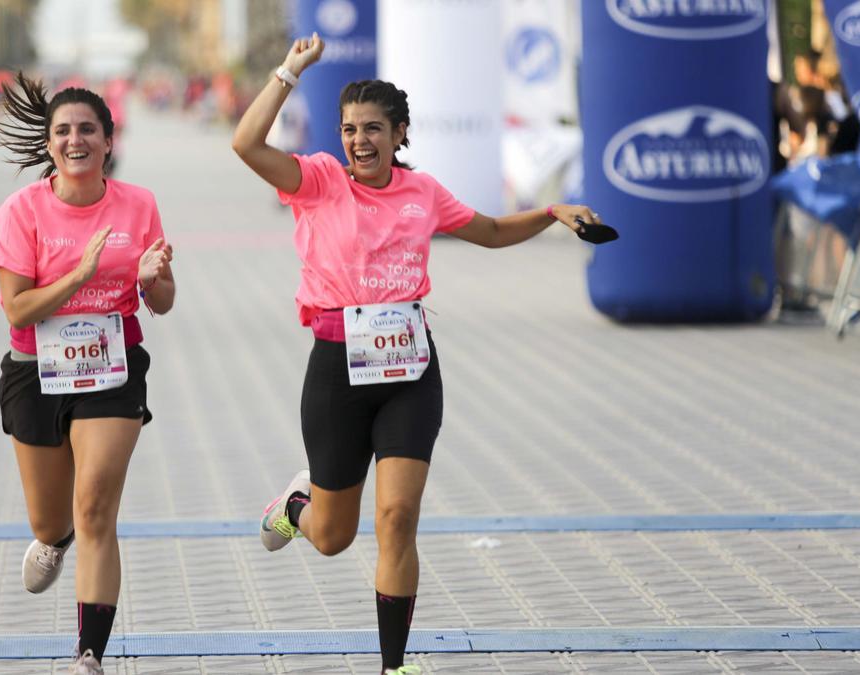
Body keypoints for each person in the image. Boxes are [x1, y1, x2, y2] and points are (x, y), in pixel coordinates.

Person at [231, 34, 601, 675]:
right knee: (334, 537)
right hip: (335, 372)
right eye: (349, 129)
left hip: (410, 372)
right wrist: (289, 71)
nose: (359, 140)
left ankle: (394, 665)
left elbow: (486, 231)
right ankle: (297, 508)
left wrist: (550, 213)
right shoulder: (317, 181)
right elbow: (246, 144)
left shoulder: (423, 192)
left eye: (373, 128)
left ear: (400, 133)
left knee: (397, 518)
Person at [0, 72, 175, 675]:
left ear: (107, 139)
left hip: (112, 366)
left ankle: (88, 655)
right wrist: (79, 275)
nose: (75, 140)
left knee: (95, 505)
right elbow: (17, 307)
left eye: (87, 130)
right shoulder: (21, 211)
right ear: (49, 144)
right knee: (53, 518)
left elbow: (164, 301)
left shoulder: (138, 204)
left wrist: (152, 280)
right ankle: (55, 540)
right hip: (34, 371)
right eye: (63, 131)